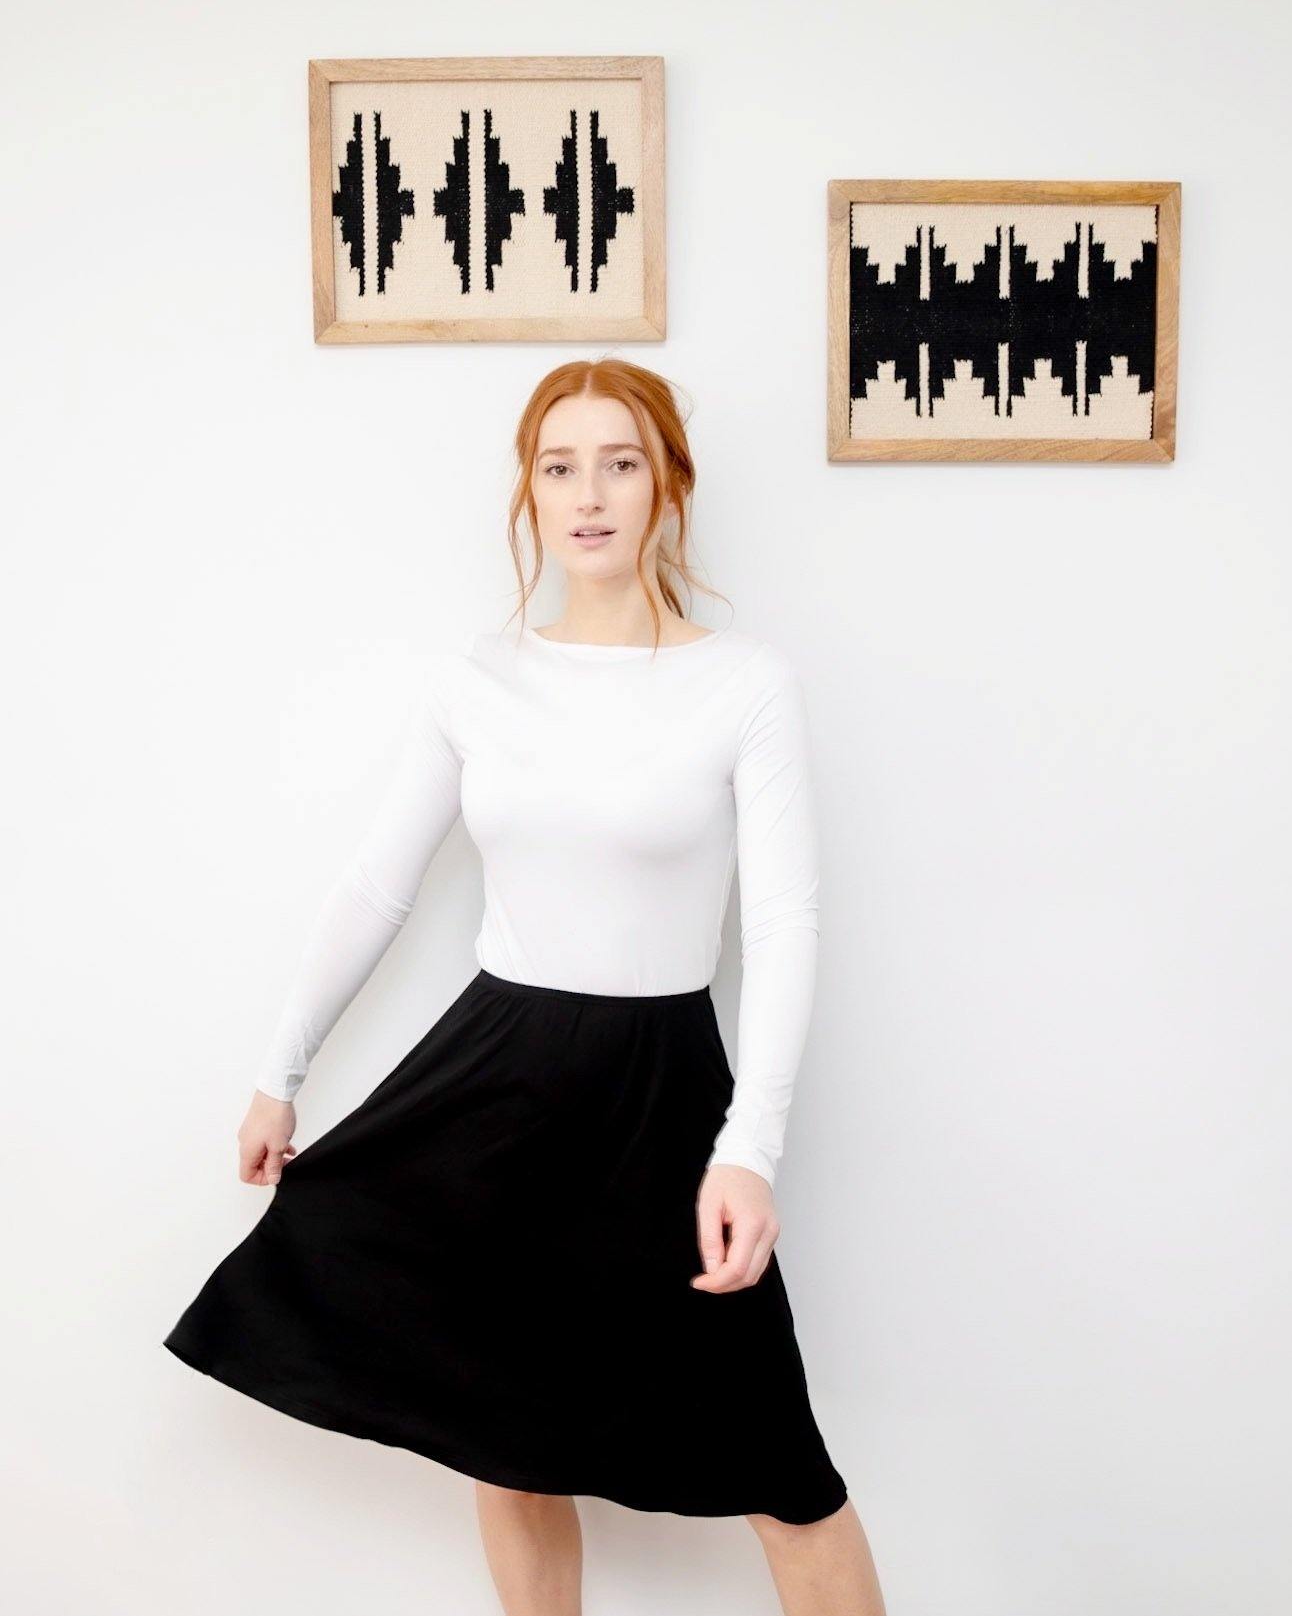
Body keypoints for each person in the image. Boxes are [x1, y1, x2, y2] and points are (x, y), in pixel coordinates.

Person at [163, 358, 887, 1614]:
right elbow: (376, 887)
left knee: (784, 1479)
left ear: (668, 486)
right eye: (560, 467)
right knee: (506, 1450)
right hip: (492, 1090)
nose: (588, 494)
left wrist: (748, 1148)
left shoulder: (743, 683)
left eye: (620, 463)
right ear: (530, 493)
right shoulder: (476, 681)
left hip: (663, 1098)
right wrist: (279, 1071)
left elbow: (784, 922)